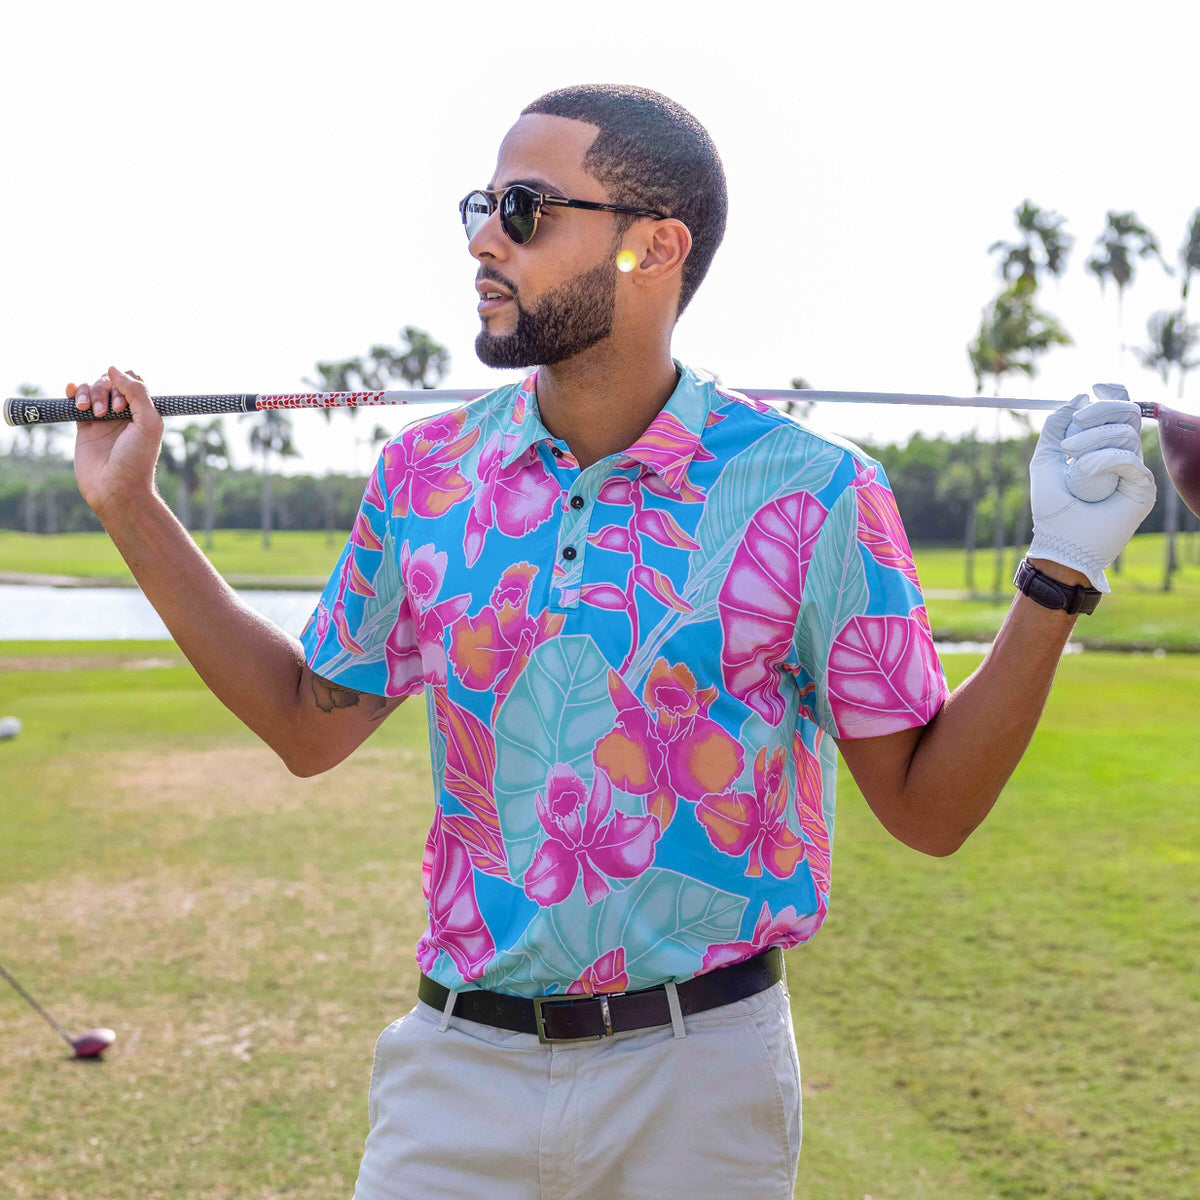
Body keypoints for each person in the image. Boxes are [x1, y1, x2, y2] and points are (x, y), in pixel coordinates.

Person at [68, 85, 1155, 1200]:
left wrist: (1059, 573)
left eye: (526, 210)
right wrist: (130, 508)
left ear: (655, 248)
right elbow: (308, 727)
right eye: (482, 206)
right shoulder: (424, 476)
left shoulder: (818, 492)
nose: (485, 240)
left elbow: (929, 811)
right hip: (455, 1072)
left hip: (699, 1087)